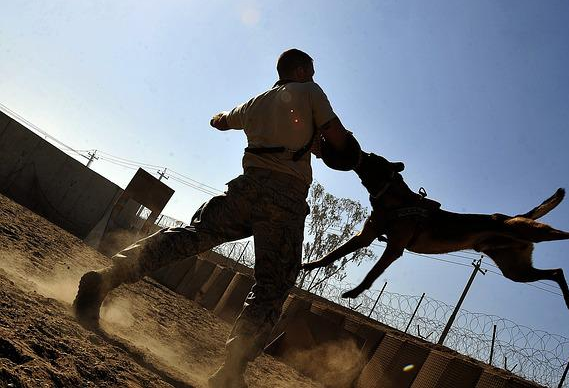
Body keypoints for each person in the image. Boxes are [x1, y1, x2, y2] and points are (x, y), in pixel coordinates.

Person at [73, 48, 358, 388]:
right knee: (273, 283)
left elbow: (220, 121)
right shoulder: (310, 92)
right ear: (299, 71)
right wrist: (350, 153)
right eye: (310, 72)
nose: (313, 78)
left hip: (245, 191)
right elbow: (339, 140)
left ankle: (105, 278)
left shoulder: (255, 104)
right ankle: (231, 370)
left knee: (191, 236)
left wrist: (223, 117)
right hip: (284, 201)